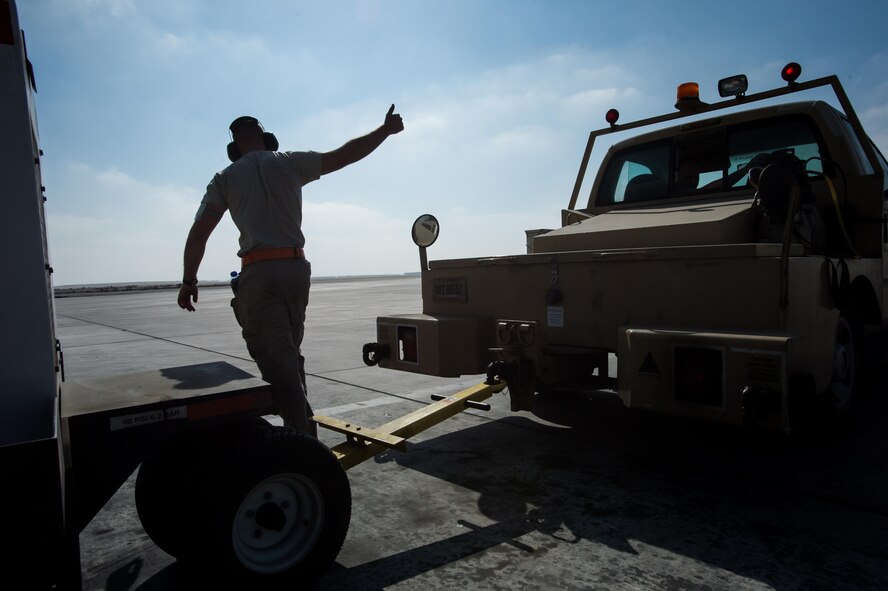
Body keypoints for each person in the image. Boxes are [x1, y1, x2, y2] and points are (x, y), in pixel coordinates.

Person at [177, 105, 404, 435]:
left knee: (277, 363)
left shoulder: (225, 179)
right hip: (296, 271)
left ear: (234, 147)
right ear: (266, 138)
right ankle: (303, 432)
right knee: (288, 356)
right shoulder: (291, 162)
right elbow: (345, 154)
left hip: (259, 275)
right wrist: (383, 131)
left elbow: (199, 232)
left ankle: (302, 445)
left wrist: (188, 280)